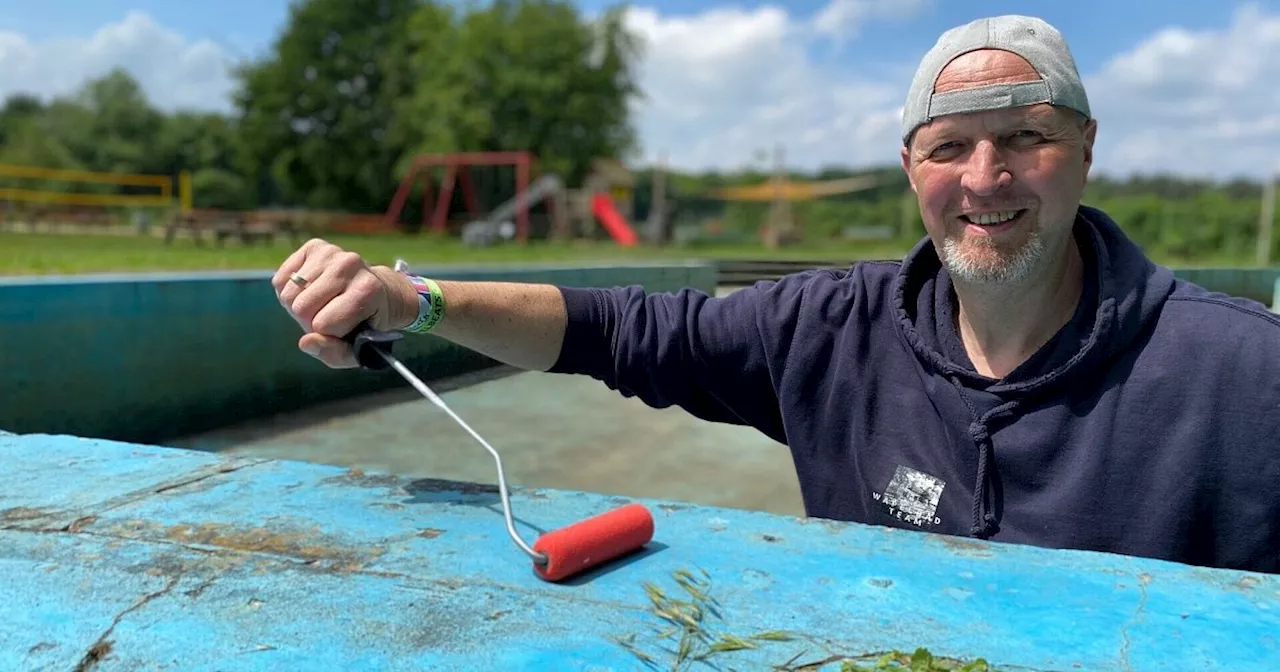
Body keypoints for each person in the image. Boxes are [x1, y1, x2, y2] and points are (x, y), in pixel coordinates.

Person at [273, 15, 1279, 575]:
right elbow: (621, 330)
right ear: (908, 165)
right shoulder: (830, 328)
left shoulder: (1241, 373)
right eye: (949, 147)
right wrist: (414, 302)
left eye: (1024, 137)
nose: (984, 177)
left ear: (1083, 149)